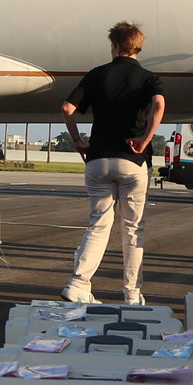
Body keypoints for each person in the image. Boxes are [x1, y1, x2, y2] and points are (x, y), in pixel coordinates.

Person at [59, 20, 166, 303]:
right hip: (131, 160)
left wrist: (78, 141)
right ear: (137, 47)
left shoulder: (96, 75)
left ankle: (78, 283)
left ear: (116, 46)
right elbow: (158, 104)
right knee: (132, 230)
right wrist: (145, 138)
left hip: (98, 160)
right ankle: (132, 294)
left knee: (98, 224)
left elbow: (67, 108)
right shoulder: (147, 78)